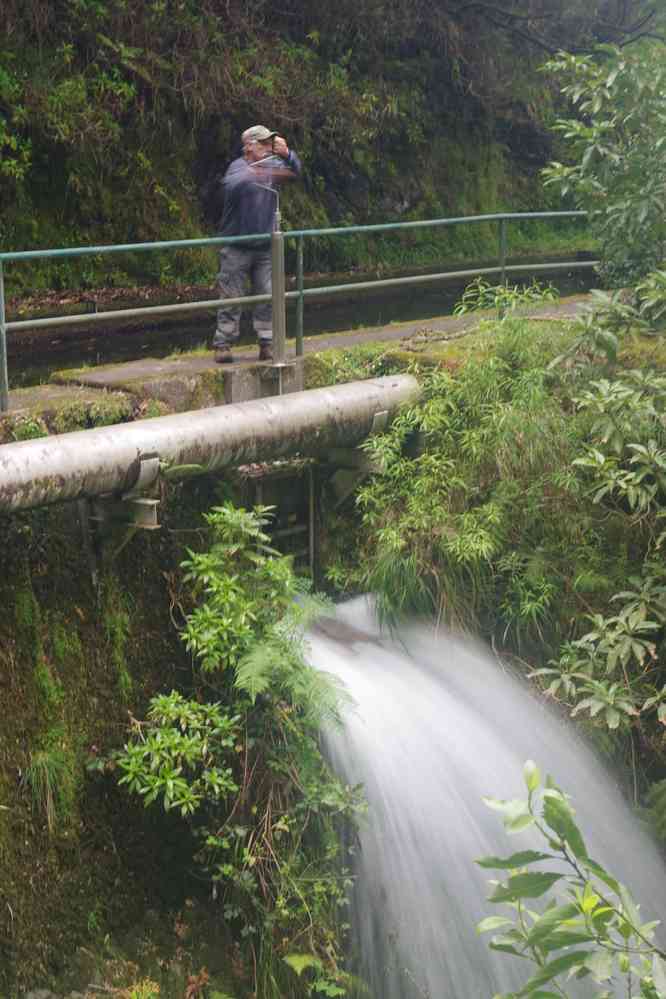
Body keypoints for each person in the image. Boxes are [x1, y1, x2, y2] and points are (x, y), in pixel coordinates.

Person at [213, 125, 302, 363]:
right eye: (263, 143)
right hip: (236, 245)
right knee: (232, 296)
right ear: (249, 146)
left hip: (264, 247)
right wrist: (257, 173)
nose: (267, 147)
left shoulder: (273, 165)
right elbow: (232, 184)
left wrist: (288, 155)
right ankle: (223, 344)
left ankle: (267, 344)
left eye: (269, 143)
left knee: (267, 297)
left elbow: (296, 172)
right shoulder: (237, 167)